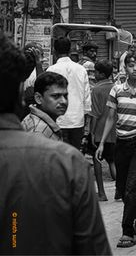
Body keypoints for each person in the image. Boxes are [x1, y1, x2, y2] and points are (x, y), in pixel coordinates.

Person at [0, 34, 111, 256]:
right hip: (77, 121)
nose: (62, 100)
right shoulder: (67, 162)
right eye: (56, 96)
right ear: (25, 92)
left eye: (64, 96)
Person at [97, 51, 136, 249]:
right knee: (123, 190)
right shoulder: (116, 90)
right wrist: (101, 143)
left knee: (132, 187)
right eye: (131, 65)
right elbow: (110, 118)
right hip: (121, 143)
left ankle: (127, 231)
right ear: (125, 68)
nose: (134, 69)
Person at [46, 37, 91, 151]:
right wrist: (84, 118)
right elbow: (87, 98)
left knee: (59, 156)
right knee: (75, 155)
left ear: (54, 51)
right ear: (70, 50)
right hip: (77, 120)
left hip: (58, 120)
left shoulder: (51, 70)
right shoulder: (81, 69)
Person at [90, 60, 117, 202]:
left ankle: (101, 193)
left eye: (95, 72)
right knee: (113, 160)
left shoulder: (96, 89)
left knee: (97, 160)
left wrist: (92, 132)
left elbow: (95, 113)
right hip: (114, 130)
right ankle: (119, 191)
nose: (94, 74)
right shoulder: (116, 88)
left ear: (100, 74)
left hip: (100, 130)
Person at [21, 71, 68, 141]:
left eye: (65, 96)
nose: (64, 101)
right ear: (38, 98)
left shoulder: (38, 123)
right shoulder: (38, 133)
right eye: (56, 96)